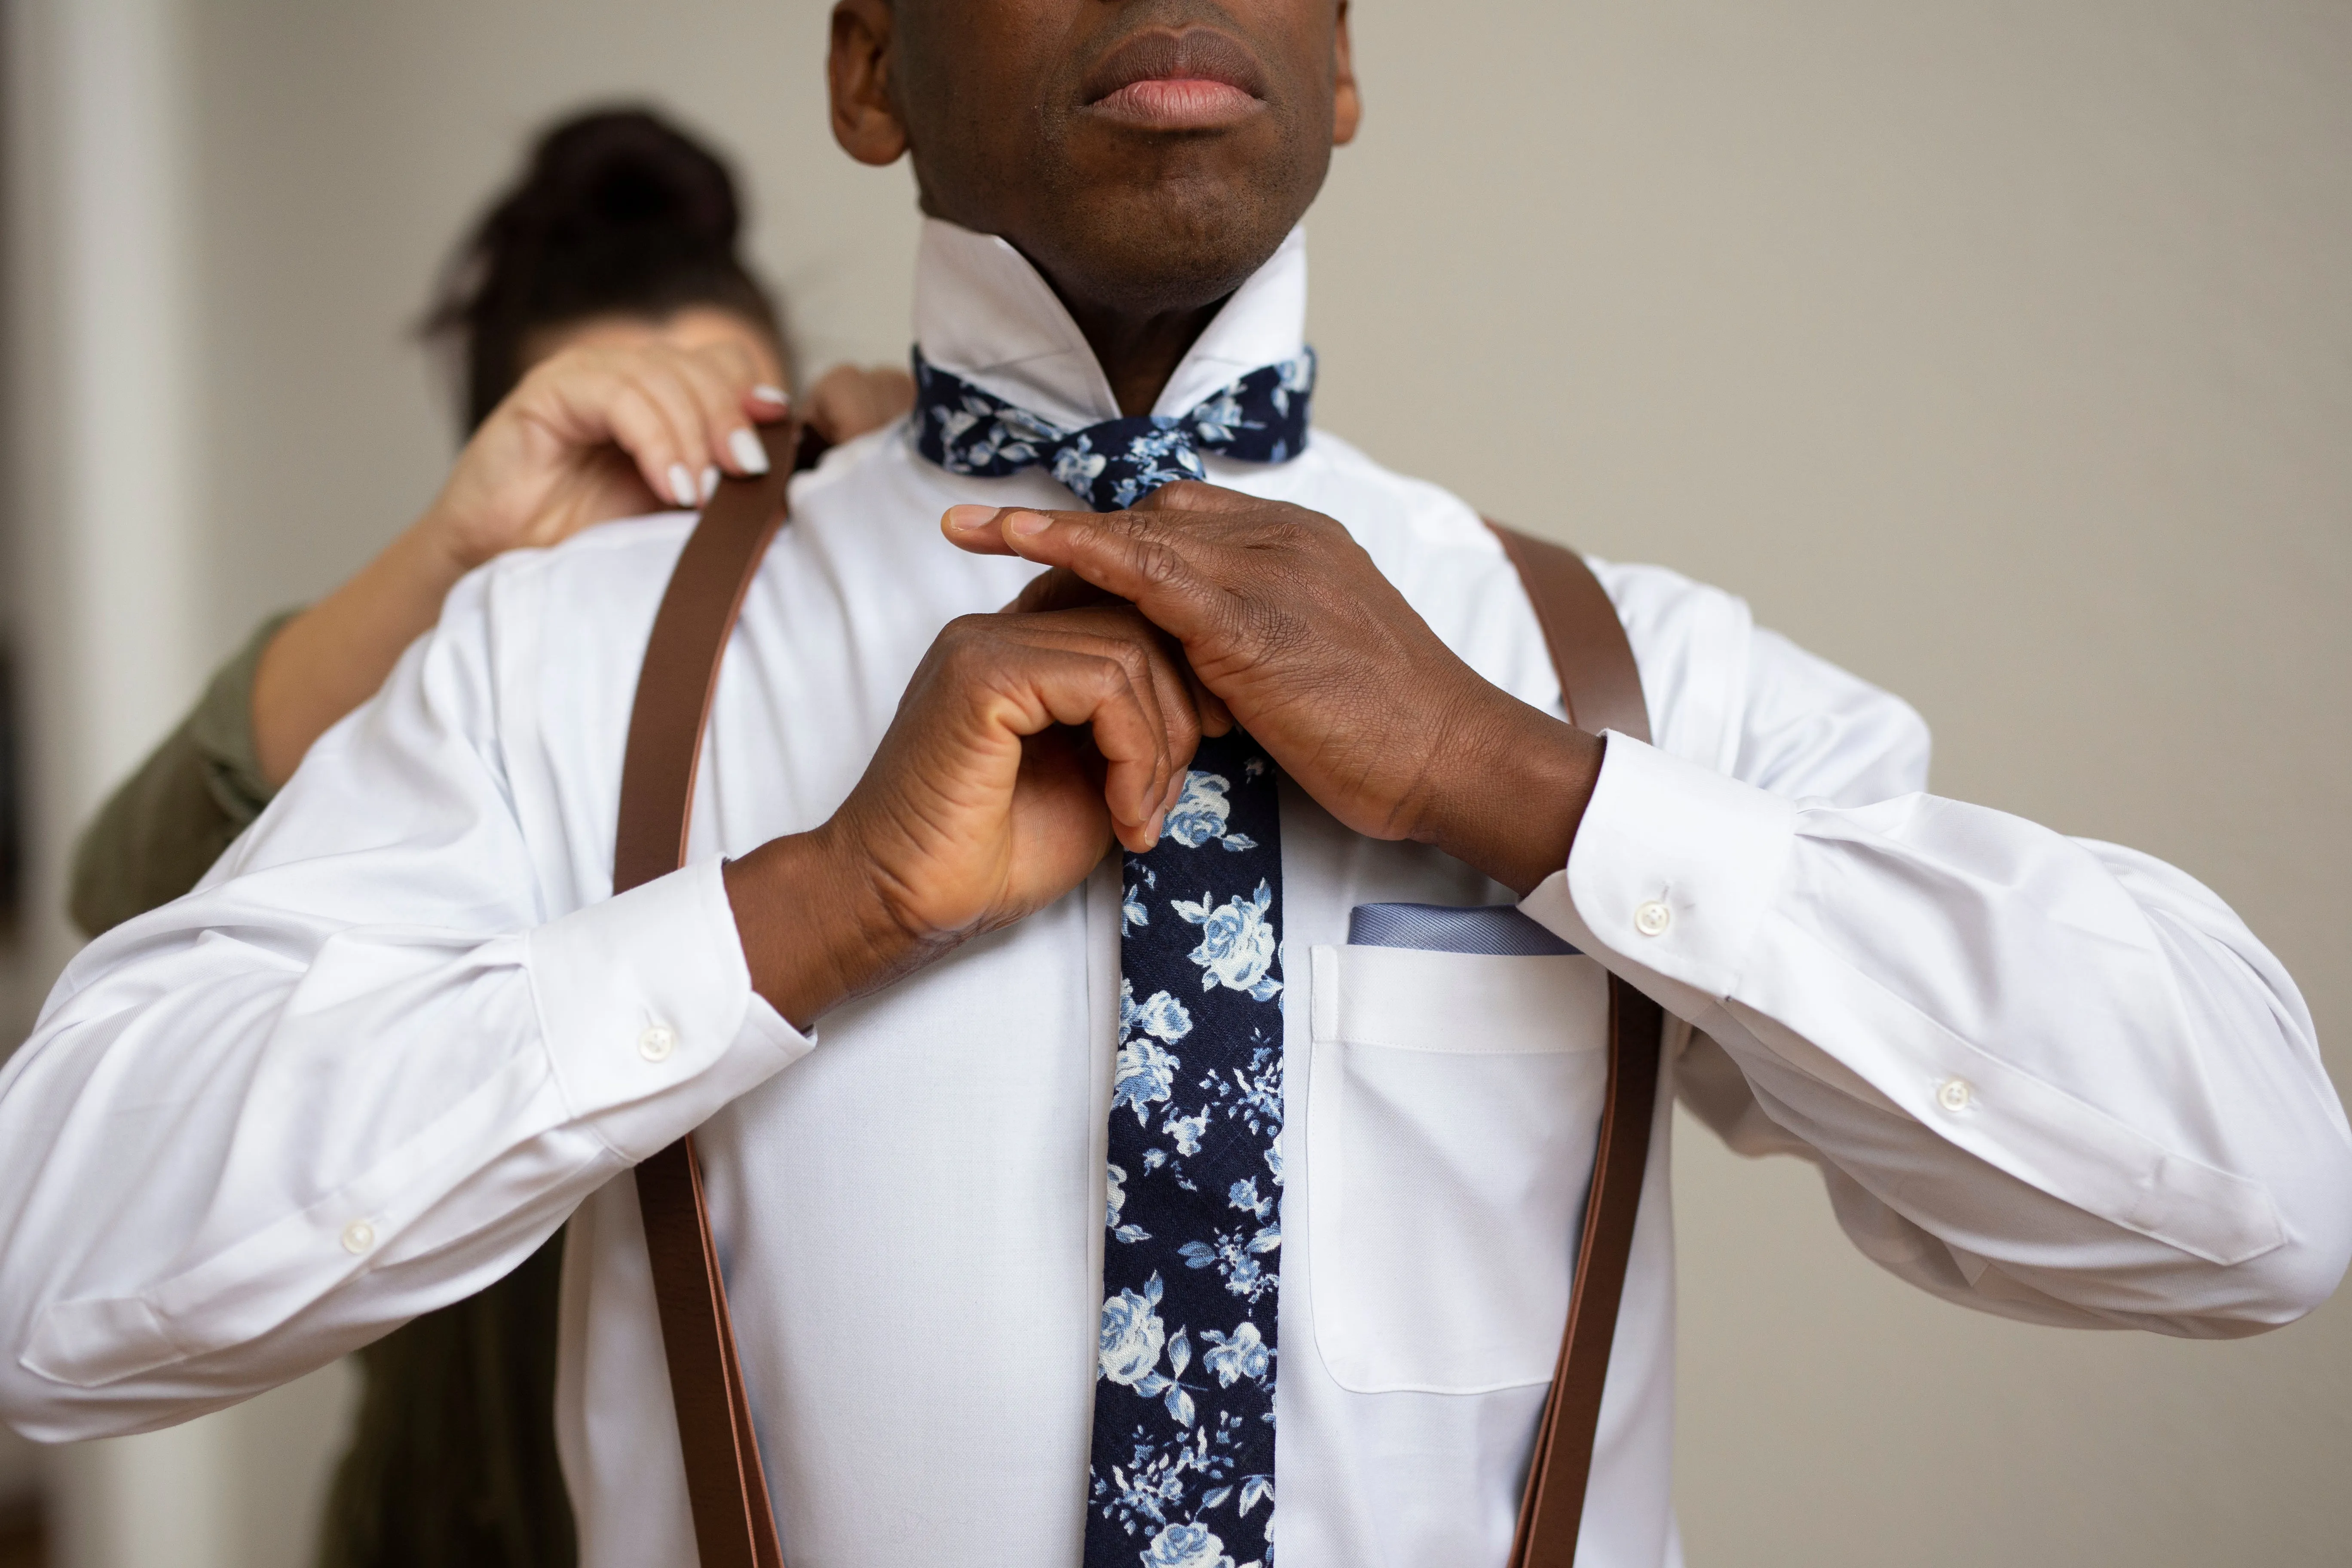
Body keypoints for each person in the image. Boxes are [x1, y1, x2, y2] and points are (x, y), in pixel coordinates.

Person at [6, 6, 2349, 1566]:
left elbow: (2260, 1201)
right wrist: (795, 909)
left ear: (1346, 63)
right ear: (864, 62)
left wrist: (1522, 785)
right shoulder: (572, 664)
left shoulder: (1617, 675)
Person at [61, 106, 912, 1568]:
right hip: (454, 1515)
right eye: (625, 445)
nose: (676, 505)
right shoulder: (459, 707)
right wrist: (460, 554)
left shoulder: (867, 721)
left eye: (730, 446)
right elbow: (124, 888)